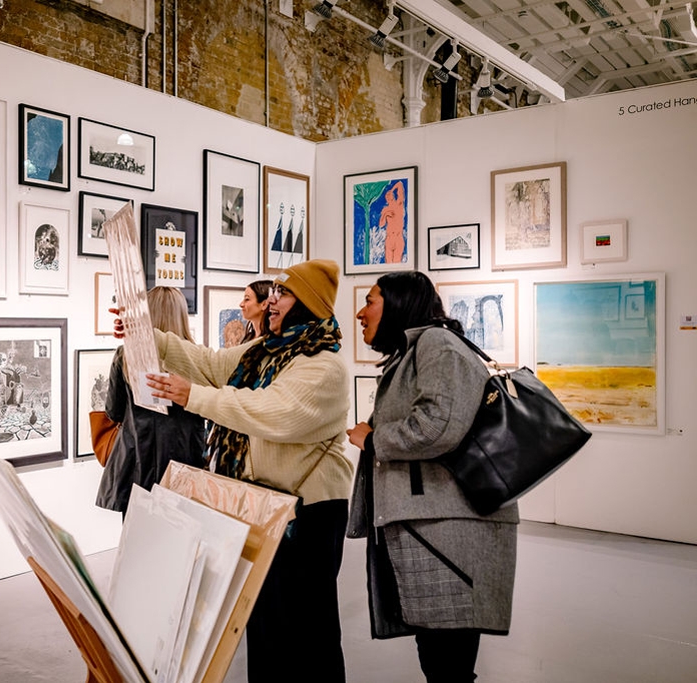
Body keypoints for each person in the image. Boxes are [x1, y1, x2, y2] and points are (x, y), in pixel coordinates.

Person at [139, 260, 351, 683]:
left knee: (308, 631)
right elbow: (211, 364)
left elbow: (270, 412)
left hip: (307, 515)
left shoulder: (325, 367)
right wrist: (149, 337)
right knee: (266, 624)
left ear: (309, 305)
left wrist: (192, 397)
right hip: (263, 508)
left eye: (284, 294)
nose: (272, 301)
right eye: (272, 292)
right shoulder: (262, 352)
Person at [347, 270, 519, 683]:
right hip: (435, 527)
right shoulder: (421, 348)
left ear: (399, 304)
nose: (359, 312)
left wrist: (374, 440)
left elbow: (437, 425)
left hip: (450, 531)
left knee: (448, 662)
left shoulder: (438, 346)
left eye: (370, 301)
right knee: (441, 658)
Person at [95, 287, 207, 517]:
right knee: (183, 539)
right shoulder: (198, 358)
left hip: (138, 460)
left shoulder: (125, 355)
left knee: (137, 540)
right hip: (186, 461)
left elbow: (113, 412)